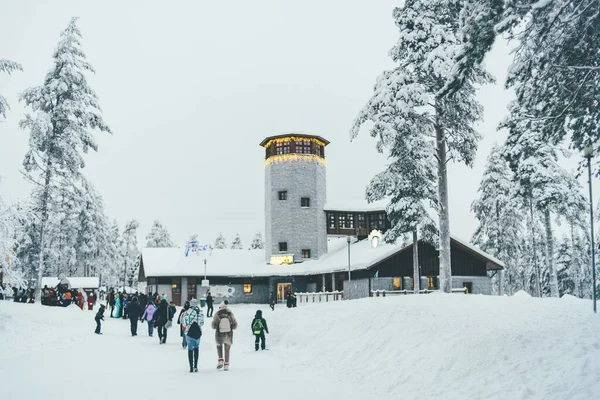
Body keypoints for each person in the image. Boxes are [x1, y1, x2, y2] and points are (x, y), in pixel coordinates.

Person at [211, 300, 238, 371]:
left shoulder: (218, 314)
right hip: (228, 334)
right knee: (227, 349)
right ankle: (226, 365)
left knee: (219, 346)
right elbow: (235, 326)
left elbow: (213, 326)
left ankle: (220, 361)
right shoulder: (230, 314)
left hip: (219, 334)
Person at [182, 298, 204, 372]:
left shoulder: (186, 313)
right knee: (196, 348)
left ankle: (191, 367)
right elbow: (202, 323)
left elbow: (184, 323)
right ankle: (195, 366)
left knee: (190, 349)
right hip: (197, 333)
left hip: (189, 333)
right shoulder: (200, 312)